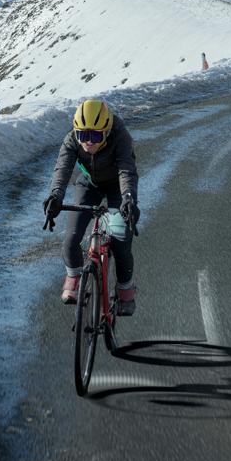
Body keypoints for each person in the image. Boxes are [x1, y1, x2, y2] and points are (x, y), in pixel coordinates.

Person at [43, 99, 141, 315]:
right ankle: (75, 277)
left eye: (95, 136)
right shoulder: (72, 140)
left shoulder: (120, 135)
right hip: (89, 184)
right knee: (71, 239)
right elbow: (62, 169)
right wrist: (55, 196)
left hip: (117, 186)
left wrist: (128, 199)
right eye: (83, 135)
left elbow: (126, 169)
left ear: (106, 131)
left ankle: (125, 290)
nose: (88, 142)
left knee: (120, 242)